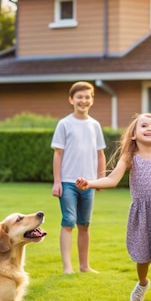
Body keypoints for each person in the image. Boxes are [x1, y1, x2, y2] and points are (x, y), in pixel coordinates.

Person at [75, 113, 151, 301]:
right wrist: (90, 183)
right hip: (142, 213)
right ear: (133, 135)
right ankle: (143, 282)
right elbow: (111, 180)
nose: (150, 129)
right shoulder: (130, 158)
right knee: (142, 256)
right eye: (144, 125)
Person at [51, 81, 106, 274]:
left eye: (87, 97)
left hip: (89, 184)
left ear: (92, 100)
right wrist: (57, 181)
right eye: (79, 97)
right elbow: (58, 153)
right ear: (71, 100)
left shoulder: (95, 125)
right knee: (68, 221)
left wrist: (100, 179)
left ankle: (84, 266)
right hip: (68, 183)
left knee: (84, 224)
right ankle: (68, 267)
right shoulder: (64, 124)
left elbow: (100, 154)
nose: (83, 100)